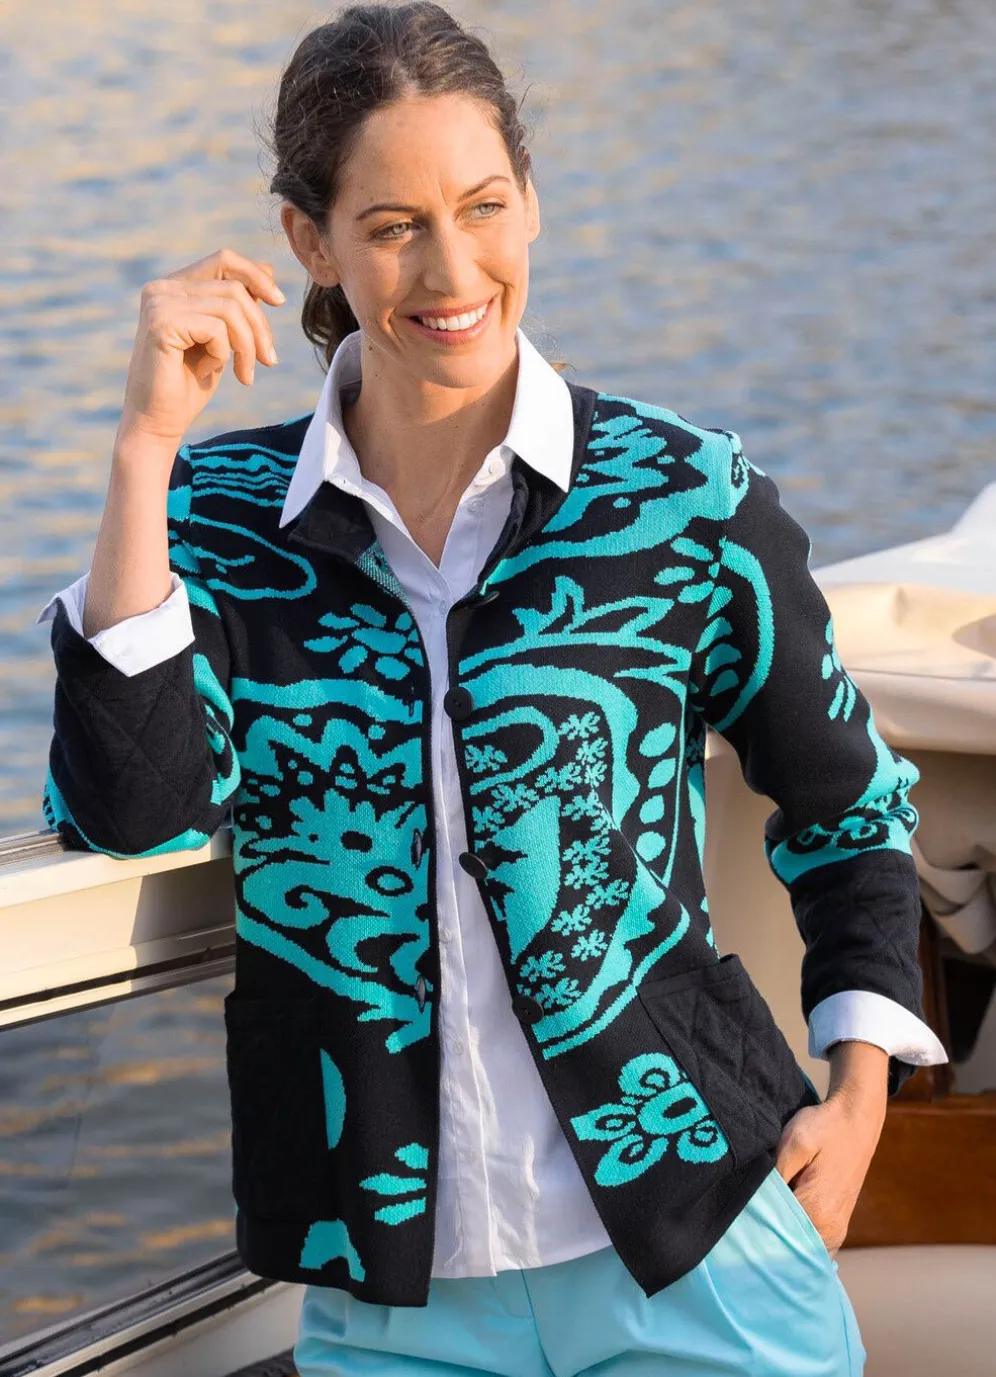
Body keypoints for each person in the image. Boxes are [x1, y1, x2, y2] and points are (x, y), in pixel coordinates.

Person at [38, 4, 948, 1373]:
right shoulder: (216, 518)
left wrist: (863, 1089)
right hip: (393, 1298)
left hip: (702, 1249)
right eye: (393, 225)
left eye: (483, 207)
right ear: (311, 243)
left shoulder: (679, 496)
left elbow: (848, 804)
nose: (452, 268)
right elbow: (134, 810)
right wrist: (139, 455)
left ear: (531, 200)